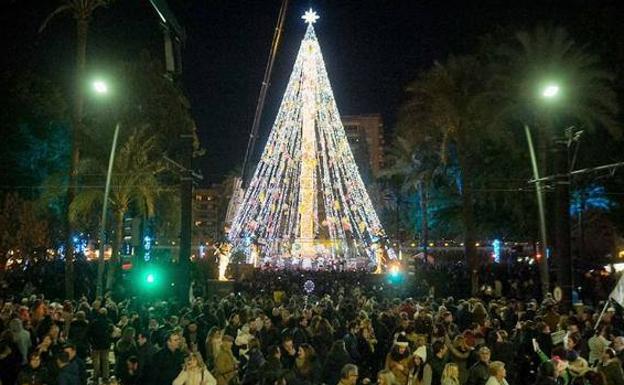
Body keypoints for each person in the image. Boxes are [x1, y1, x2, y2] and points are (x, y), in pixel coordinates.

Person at [88, 307, 114, 383]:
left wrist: (91, 342)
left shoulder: (94, 322)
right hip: (106, 344)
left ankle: (95, 376)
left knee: (96, 361)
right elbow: (111, 332)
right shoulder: (109, 322)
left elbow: (89, 333)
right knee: (105, 361)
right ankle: (105, 377)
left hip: (95, 344)